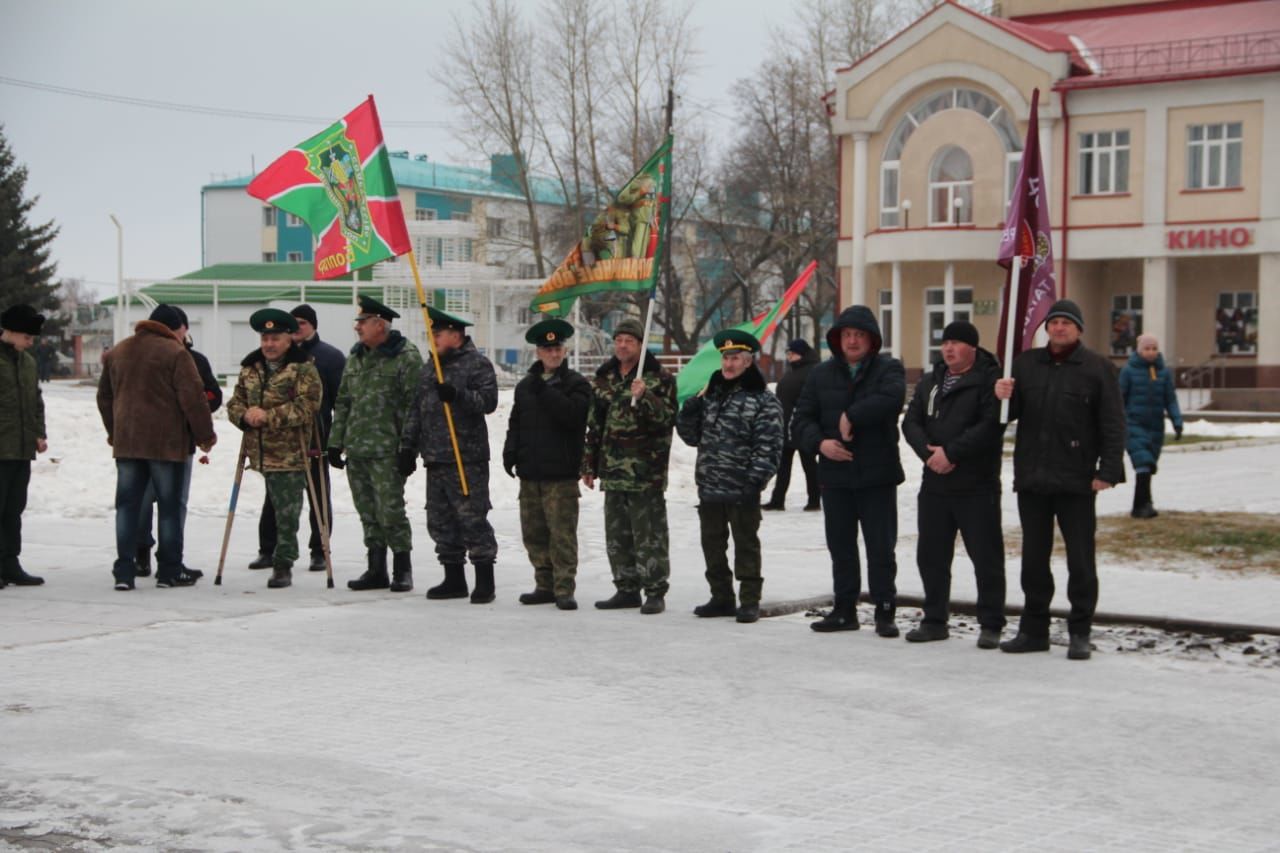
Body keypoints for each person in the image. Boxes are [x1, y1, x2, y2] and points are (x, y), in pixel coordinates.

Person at [994, 298, 1126, 661]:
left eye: (1067, 323)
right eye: (1054, 323)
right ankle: (1033, 629)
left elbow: (1113, 423)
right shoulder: (1025, 365)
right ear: (1047, 328)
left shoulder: (1097, 368)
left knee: (1080, 560)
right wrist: (1001, 396)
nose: (1059, 328)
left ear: (1078, 329)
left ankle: (1080, 630)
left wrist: (1108, 471)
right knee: (1033, 560)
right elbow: (1007, 416)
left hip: (1077, 480)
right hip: (1033, 479)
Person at [792, 306, 905, 637]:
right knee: (840, 546)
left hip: (877, 474)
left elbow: (892, 398)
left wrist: (853, 415)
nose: (853, 341)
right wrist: (820, 444)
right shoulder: (820, 374)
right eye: (847, 335)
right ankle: (844, 609)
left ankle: (885, 609)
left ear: (871, 340)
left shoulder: (889, 369)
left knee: (880, 547)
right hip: (835, 476)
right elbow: (801, 421)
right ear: (837, 340)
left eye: (859, 335)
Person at [901, 321, 1006, 647]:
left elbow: (991, 426)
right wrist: (928, 454)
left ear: (972, 348)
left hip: (976, 484)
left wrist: (952, 453)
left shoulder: (990, 381)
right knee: (931, 556)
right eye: (945, 342)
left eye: (956, 343)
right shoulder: (932, 380)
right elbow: (911, 421)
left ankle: (991, 622)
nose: (948, 349)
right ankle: (934, 619)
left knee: (985, 557)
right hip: (935, 484)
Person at [98, 304, 217, 590]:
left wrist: (115, 432)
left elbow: (104, 398)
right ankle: (169, 570)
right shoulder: (176, 353)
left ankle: (124, 572)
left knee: (127, 507)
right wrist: (205, 436)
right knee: (169, 508)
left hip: (127, 445)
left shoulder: (119, 351)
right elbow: (193, 399)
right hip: (166, 444)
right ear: (175, 329)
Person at [676, 329, 783, 623]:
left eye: (735, 358)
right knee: (712, 545)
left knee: (746, 546)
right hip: (710, 487)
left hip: (742, 488)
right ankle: (721, 597)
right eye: (726, 358)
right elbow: (691, 437)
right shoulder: (712, 396)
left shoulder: (763, 400)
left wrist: (754, 482)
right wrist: (690, 410)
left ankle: (749, 600)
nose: (729, 364)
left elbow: (770, 446)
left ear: (748, 362)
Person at [400, 307, 499, 603]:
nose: (433, 340)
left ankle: (485, 581)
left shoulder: (477, 365)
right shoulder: (430, 368)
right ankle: (453, 578)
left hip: (466, 458)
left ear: (455, 336)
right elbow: (417, 411)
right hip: (436, 457)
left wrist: (458, 395)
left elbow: (488, 402)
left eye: (438, 334)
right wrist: (407, 447)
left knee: (472, 518)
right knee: (440, 520)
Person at [582, 317, 678, 614]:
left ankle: (654, 589)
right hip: (612, 470)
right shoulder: (604, 377)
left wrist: (645, 396)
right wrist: (589, 463)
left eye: (629, 341)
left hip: (644, 472)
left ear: (640, 344)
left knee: (648, 534)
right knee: (618, 534)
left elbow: (668, 418)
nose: (622, 346)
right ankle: (626, 588)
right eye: (619, 340)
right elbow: (594, 423)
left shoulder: (659, 378)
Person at [329, 296, 423, 593]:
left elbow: (414, 407)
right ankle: (376, 568)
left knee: (391, 511)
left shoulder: (406, 356)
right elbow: (343, 402)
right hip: (358, 448)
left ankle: (402, 569)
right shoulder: (356, 357)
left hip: (388, 450)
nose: (357, 327)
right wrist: (335, 442)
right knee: (367, 511)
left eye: (362, 321)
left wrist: (409, 448)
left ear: (379, 324)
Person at [227, 309, 323, 588]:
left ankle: (283, 563)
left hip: (290, 454)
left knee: (287, 513)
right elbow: (234, 403)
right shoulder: (251, 368)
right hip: (258, 451)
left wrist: (269, 416)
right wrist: (244, 415)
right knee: (274, 509)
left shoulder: (303, 368)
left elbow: (308, 406)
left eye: (276, 338)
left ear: (289, 340)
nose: (269, 344)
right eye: (265, 338)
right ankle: (270, 553)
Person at [502, 318, 592, 610]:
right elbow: (517, 422)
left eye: (558, 348)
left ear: (564, 351)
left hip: (560, 474)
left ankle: (564, 587)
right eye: (547, 349)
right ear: (538, 352)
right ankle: (544, 584)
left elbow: (573, 416)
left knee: (562, 534)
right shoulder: (526, 386)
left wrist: (545, 391)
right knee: (534, 532)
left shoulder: (575, 384)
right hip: (531, 473)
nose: (553, 354)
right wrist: (510, 451)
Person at [249, 304, 346, 572]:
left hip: (314, 436)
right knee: (275, 497)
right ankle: (268, 549)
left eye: (302, 323)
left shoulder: (329, 357)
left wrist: (337, 437)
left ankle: (319, 548)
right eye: (293, 324)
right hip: (278, 441)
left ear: (313, 325)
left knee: (318, 494)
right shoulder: (277, 358)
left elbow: (340, 399)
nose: (297, 328)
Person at [135, 305, 222, 578]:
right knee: (146, 501)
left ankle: (168, 558)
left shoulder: (194, 360)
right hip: (147, 443)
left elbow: (212, 395)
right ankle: (144, 554)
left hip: (176, 442)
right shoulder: (138, 358)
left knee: (170, 503)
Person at [0, 304, 49, 588]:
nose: (30, 343)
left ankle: (10, 563)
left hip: (20, 449)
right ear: (12, 332)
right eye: (27, 338)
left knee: (14, 508)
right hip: (1, 447)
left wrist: (38, 433)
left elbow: (36, 402)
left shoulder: (28, 363)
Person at [1119, 334, 1183, 519]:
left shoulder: (1162, 373)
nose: (1151, 352)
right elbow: (1119, 399)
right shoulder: (1128, 371)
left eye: (1154, 348)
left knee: (1150, 464)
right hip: (1134, 424)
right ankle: (1141, 506)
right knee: (1143, 463)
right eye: (1147, 349)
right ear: (1139, 350)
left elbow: (1170, 399)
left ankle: (1144, 504)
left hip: (1155, 427)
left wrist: (1177, 422)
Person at [763, 339, 821, 512]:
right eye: (788, 354)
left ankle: (814, 500)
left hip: (802, 426)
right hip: (786, 426)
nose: (789, 357)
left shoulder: (812, 371)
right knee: (783, 465)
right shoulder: (793, 371)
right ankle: (777, 500)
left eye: (792, 353)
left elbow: (810, 400)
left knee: (809, 465)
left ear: (802, 354)